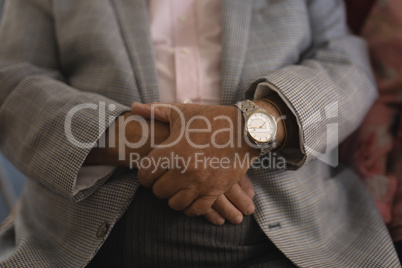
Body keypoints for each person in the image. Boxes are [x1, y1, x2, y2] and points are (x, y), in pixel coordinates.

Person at [0, 0, 400, 267]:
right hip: (80, 245)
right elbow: (12, 82)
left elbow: (346, 64)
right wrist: (162, 143)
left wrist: (253, 126)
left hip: (305, 239)